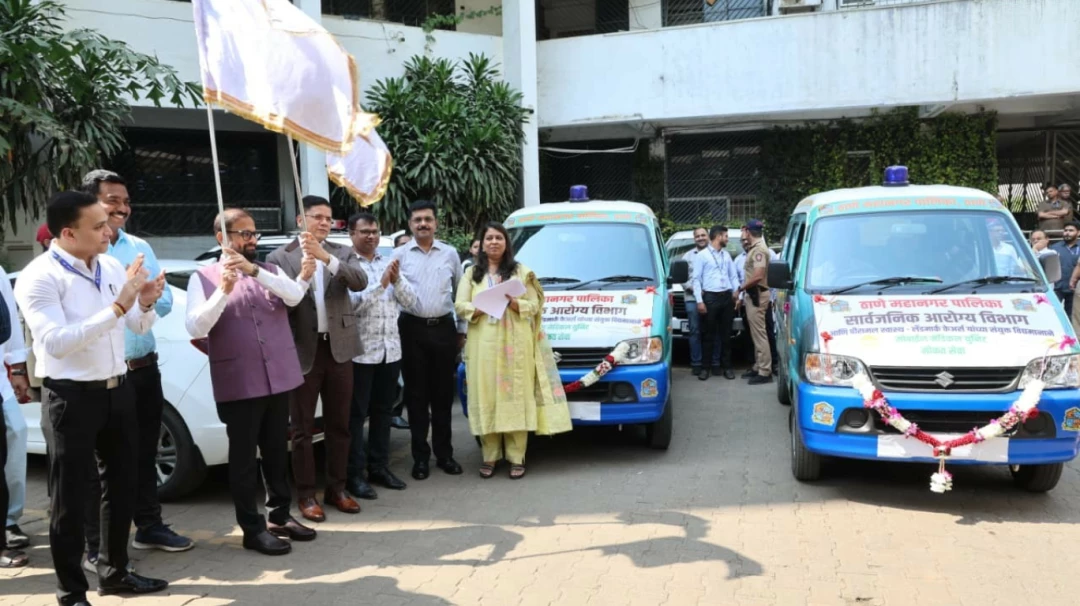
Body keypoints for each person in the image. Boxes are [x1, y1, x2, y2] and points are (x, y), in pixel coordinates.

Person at [15, 191, 169, 604]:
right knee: (69, 500)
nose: (109, 231)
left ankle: (115, 573)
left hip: (118, 390)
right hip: (71, 397)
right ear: (68, 233)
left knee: (121, 488)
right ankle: (71, 592)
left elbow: (136, 326)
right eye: (99, 226)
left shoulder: (111, 265)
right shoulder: (40, 276)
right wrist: (118, 307)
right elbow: (56, 342)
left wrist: (145, 301)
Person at [185, 209, 316, 555]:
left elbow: (294, 296)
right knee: (243, 459)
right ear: (222, 238)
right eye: (244, 234)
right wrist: (223, 291)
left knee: (276, 452)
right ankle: (251, 528)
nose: (252, 240)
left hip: (278, 378)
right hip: (239, 381)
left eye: (254, 233)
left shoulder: (268, 270)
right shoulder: (203, 277)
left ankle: (280, 516)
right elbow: (196, 327)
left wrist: (254, 271)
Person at [80, 170, 194, 568]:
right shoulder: (83, 254)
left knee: (145, 453)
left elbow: (163, 303)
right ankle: (97, 546)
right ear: (91, 203)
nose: (122, 209)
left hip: (143, 369)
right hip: (100, 375)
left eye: (126, 201)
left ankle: (149, 526)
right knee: (102, 465)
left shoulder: (139, 247)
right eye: (112, 200)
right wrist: (127, 295)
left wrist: (142, 297)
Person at [267, 196, 367, 522]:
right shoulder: (280, 256)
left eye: (328, 218)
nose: (324, 222)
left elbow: (360, 281)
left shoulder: (341, 252)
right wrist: (304, 274)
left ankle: (337, 489)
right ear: (301, 220)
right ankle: (306, 494)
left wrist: (326, 259)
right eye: (317, 217)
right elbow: (279, 302)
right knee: (302, 430)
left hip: (339, 348)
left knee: (340, 424)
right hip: (302, 350)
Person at [454, 223, 571, 479]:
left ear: (506, 243)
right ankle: (490, 455)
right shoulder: (472, 274)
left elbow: (535, 304)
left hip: (515, 345)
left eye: (499, 238)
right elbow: (460, 305)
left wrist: (514, 303)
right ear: (481, 244)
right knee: (486, 394)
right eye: (489, 238)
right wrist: (480, 307)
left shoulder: (521, 272)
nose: (494, 242)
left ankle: (517, 457)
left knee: (515, 394)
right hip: (483, 344)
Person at [392, 200, 465, 481]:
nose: (423, 224)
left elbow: (460, 293)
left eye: (428, 219)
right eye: (417, 220)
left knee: (443, 396)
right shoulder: (398, 255)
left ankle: (445, 455)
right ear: (410, 224)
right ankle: (420, 458)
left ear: (436, 223)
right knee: (416, 397)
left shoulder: (450, 253)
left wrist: (461, 330)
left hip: (444, 329)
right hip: (411, 330)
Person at [345, 213, 414, 500]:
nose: (371, 236)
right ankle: (354, 475)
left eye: (374, 231)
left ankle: (379, 468)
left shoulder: (389, 263)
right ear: (352, 234)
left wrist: (396, 281)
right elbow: (352, 307)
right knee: (355, 416)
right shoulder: (348, 266)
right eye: (364, 231)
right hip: (361, 354)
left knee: (384, 413)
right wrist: (382, 284)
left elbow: (411, 302)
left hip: (390, 351)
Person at [1, 262, 30, 568]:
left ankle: (10, 519)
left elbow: (8, 319)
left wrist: (18, 367)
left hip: (1, 380)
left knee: (17, 431)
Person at [692, 226, 739, 381]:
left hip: (726, 297)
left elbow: (733, 276)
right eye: (726, 236)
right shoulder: (702, 256)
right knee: (708, 335)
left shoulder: (726, 255)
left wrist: (737, 292)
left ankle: (727, 367)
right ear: (718, 236)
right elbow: (696, 279)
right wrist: (699, 301)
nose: (727, 239)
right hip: (710, 297)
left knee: (726, 335)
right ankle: (705, 368)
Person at [737, 219, 773, 385]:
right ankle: (758, 366)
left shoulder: (759, 250)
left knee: (759, 334)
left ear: (748, 232)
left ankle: (765, 371)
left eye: (743, 231)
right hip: (754, 295)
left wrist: (740, 288)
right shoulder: (755, 248)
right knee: (756, 333)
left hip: (757, 294)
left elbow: (758, 275)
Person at [682, 228, 715, 377]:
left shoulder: (716, 254)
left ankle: (714, 363)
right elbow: (683, 277)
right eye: (697, 236)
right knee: (694, 331)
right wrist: (694, 289)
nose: (701, 238)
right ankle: (696, 363)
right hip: (692, 298)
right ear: (694, 238)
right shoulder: (687, 256)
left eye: (703, 235)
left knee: (713, 331)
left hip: (712, 298)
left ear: (708, 237)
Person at [389, 232, 412, 431]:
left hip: (412, 326)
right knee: (397, 376)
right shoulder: (389, 265)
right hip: (392, 328)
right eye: (402, 244)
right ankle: (394, 412)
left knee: (411, 375)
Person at [1054, 221, 1080, 317]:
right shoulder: (1055, 247)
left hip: (1075, 288)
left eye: (1071, 230)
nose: (1067, 233)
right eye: (1065, 230)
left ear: (1078, 232)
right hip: (1058, 287)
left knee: (1073, 316)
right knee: (1055, 314)